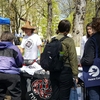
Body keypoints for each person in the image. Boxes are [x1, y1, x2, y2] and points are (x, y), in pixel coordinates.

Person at [50, 19, 78, 100]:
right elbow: (73, 58)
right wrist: (75, 75)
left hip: (53, 71)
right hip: (65, 71)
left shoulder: (53, 39)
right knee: (64, 96)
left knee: (54, 95)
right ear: (68, 29)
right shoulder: (69, 41)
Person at [0, 31, 23, 100]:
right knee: (16, 95)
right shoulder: (14, 48)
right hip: (12, 75)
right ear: (12, 40)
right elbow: (20, 62)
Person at [81, 17, 100, 100]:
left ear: (93, 27)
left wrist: (82, 60)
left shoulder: (92, 40)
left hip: (95, 77)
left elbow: (88, 60)